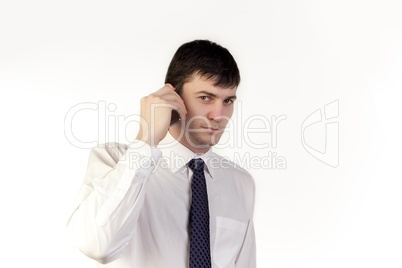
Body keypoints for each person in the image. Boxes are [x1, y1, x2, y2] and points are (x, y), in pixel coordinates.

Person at [67, 40, 256, 268]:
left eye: (228, 101)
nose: (219, 114)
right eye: (206, 98)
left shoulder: (240, 183)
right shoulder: (114, 161)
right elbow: (98, 246)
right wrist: (146, 140)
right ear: (173, 96)